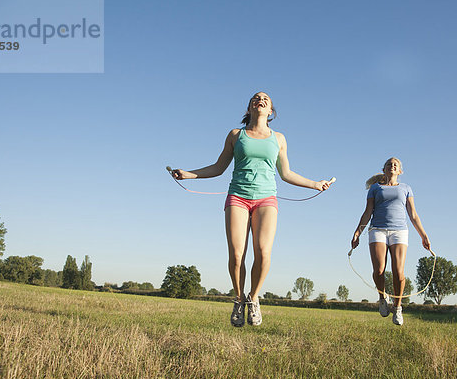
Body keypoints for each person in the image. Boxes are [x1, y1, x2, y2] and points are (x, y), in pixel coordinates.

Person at [171, 92, 333, 327]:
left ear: (271, 111)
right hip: (238, 197)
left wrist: (315, 184)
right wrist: (188, 174)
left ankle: (254, 298)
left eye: (266, 98)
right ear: (249, 108)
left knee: (263, 252)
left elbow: (286, 174)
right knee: (237, 255)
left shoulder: (278, 138)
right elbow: (218, 167)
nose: (261, 99)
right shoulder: (236, 135)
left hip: (266, 199)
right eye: (256, 98)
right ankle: (238, 299)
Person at [350, 157, 430, 325]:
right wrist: (358, 232)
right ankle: (382, 298)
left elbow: (413, 215)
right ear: (384, 169)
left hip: (399, 231)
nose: (392, 166)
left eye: (395, 164)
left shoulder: (406, 188)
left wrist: (423, 235)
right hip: (377, 230)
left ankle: (398, 307)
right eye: (389, 164)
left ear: (399, 171)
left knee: (398, 272)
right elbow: (367, 212)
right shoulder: (375, 188)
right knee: (379, 270)